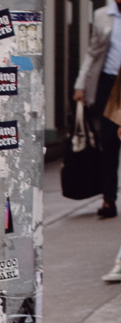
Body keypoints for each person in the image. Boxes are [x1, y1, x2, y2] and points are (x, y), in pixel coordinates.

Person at [73, 0, 121, 219]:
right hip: (109, 85)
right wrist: (80, 84)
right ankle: (109, 199)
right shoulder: (102, 15)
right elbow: (92, 53)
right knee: (109, 141)